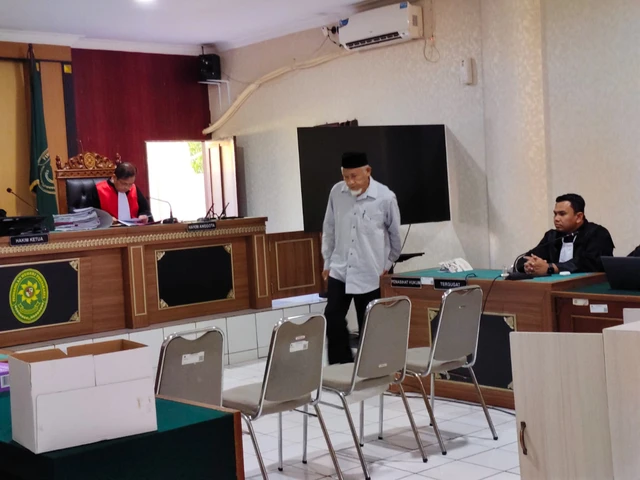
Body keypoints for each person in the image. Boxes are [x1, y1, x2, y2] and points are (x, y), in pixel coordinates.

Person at [321, 152, 402, 365]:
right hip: (340, 268)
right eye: (345, 177)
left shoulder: (385, 197)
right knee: (332, 317)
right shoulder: (336, 193)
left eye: (354, 176)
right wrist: (327, 261)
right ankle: (342, 366)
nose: (350, 182)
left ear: (368, 172)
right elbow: (329, 228)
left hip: (371, 272)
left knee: (369, 324)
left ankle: (369, 368)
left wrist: (387, 264)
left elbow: (395, 235)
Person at [519, 193, 614, 274]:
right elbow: (527, 258)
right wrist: (530, 265)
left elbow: (588, 263)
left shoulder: (597, 233)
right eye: (555, 214)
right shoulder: (551, 236)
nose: (556, 219)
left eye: (562, 214)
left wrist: (551, 268)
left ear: (579, 217)